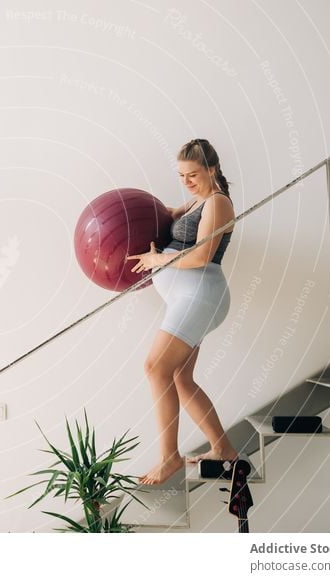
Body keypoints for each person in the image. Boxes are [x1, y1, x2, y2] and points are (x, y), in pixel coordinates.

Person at [125, 138, 238, 485]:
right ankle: (224, 450)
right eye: (181, 175)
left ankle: (169, 457)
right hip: (187, 298)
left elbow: (202, 256)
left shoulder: (217, 203)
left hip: (200, 294)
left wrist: (159, 259)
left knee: (155, 368)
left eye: (192, 174)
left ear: (212, 169)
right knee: (180, 378)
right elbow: (170, 214)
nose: (186, 181)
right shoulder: (199, 201)